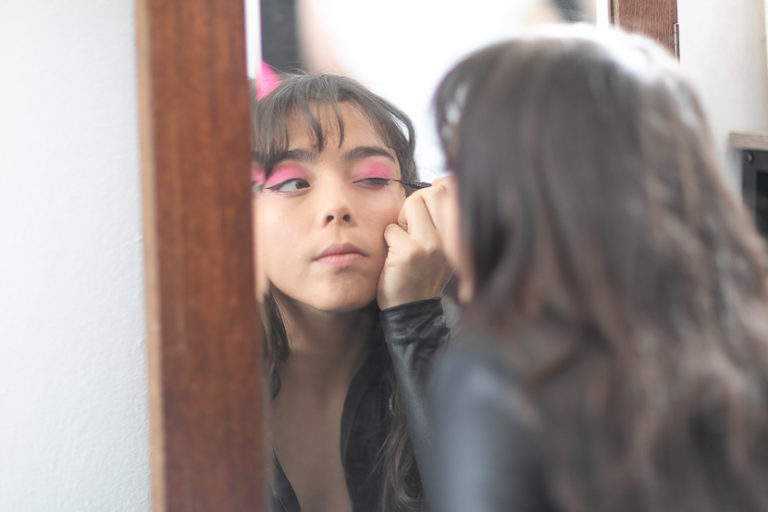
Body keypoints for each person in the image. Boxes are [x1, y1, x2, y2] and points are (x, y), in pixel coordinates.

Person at [426, 26, 768, 512]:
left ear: (520, 196)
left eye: (458, 170)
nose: (440, 194)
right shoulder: (742, 350)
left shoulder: (499, 382)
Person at [250, 73, 452, 512]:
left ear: (412, 201)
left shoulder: (477, 353)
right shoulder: (201, 382)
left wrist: (415, 320)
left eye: (372, 179)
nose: (336, 207)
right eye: (292, 183)